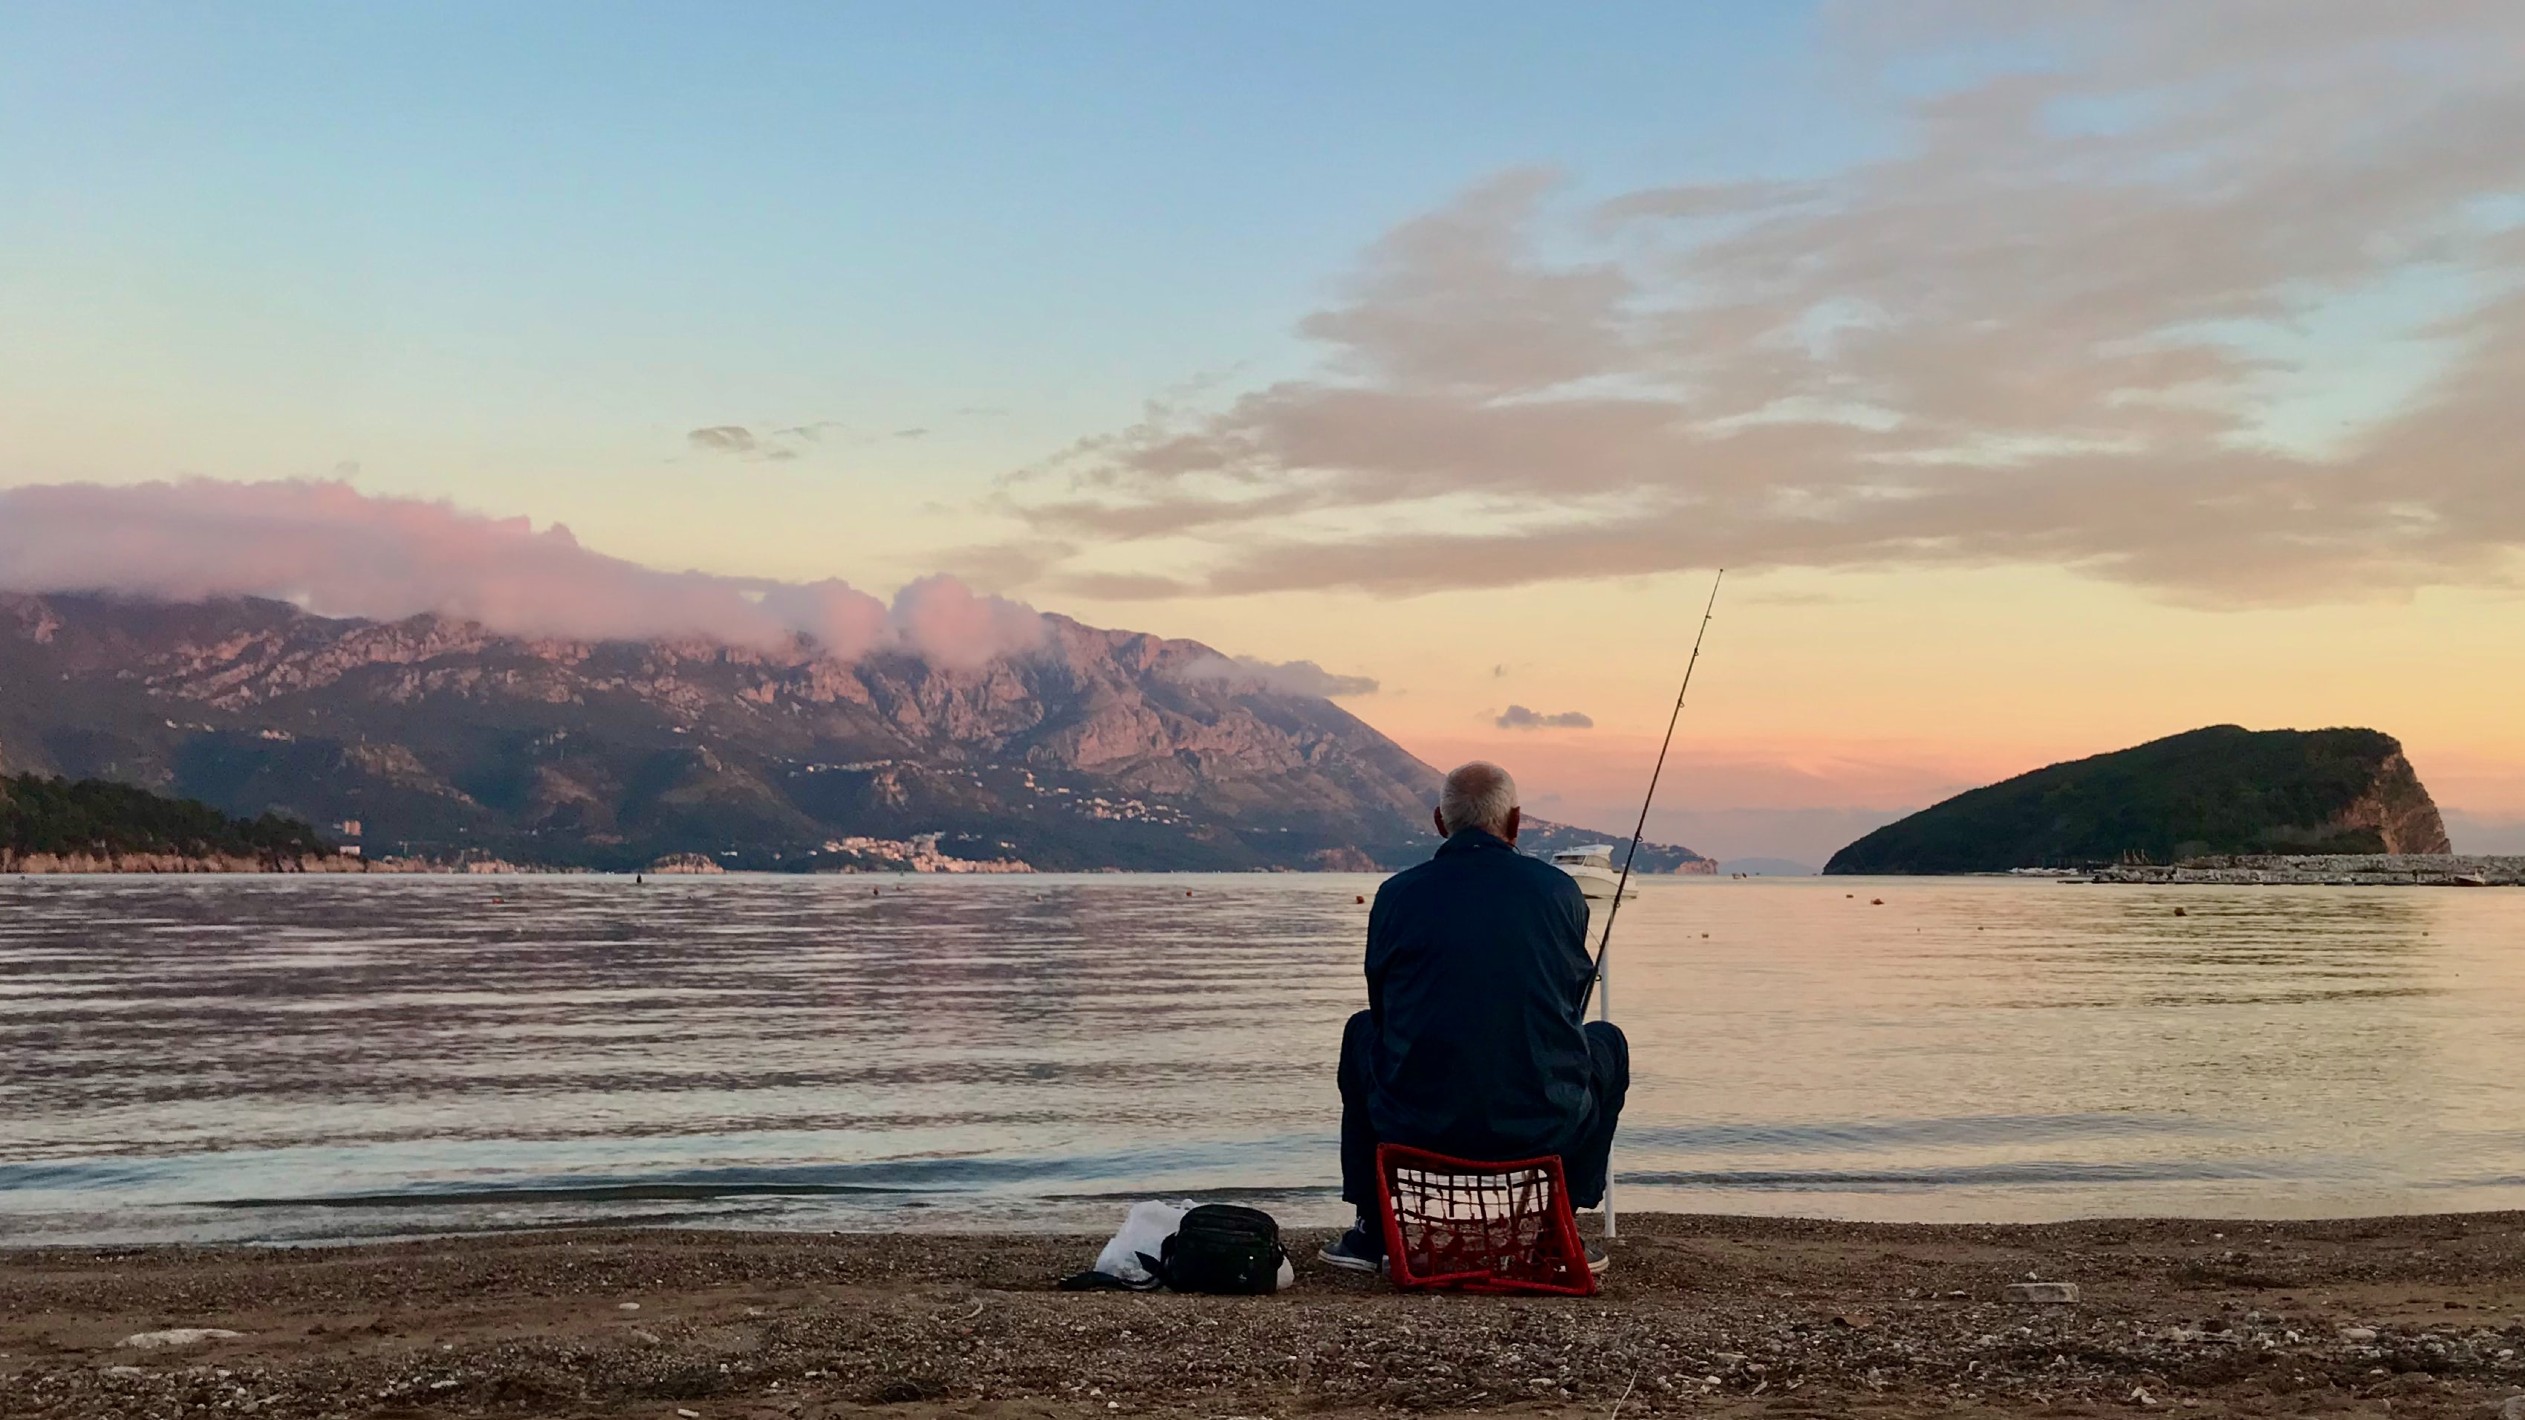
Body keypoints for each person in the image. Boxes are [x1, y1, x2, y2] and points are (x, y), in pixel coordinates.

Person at [1320, 761, 1629, 1274]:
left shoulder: (1397, 894)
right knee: (1607, 1043)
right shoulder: (1559, 892)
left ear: (1441, 822)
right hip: (1541, 1123)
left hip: (1415, 1123)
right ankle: (1563, 1226)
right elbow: (1568, 1005)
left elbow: (1383, 1006)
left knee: (1360, 1031)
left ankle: (1371, 1230)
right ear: (1515, 822)